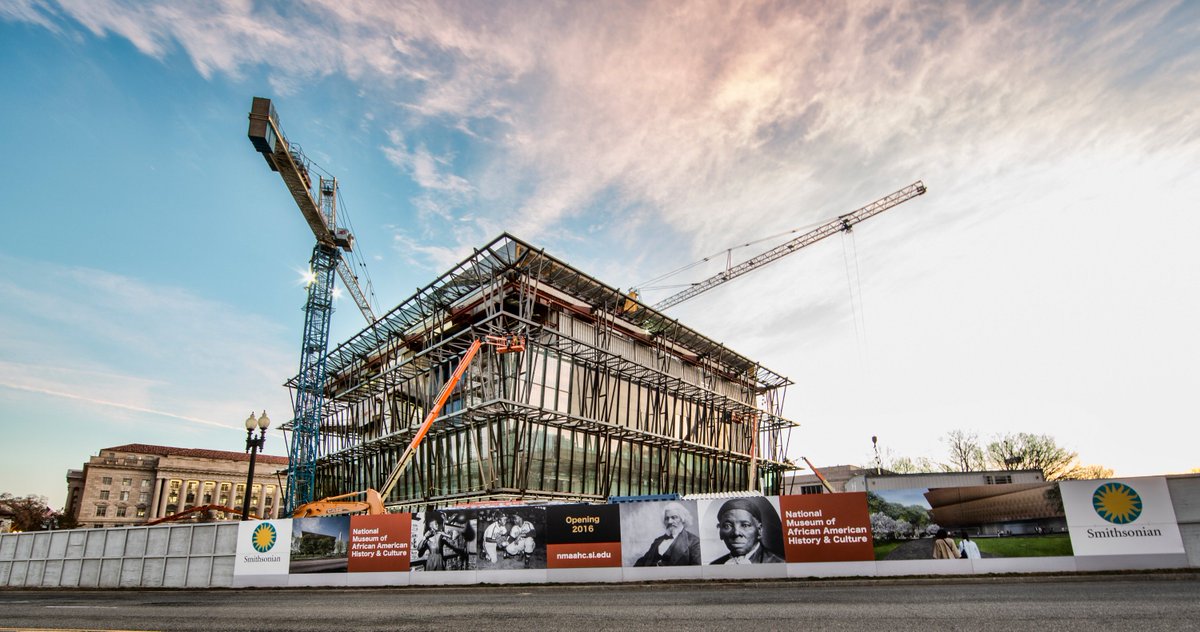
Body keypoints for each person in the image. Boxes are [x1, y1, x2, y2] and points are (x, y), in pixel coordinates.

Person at [710, 498, 784, 565]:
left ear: (759, 530)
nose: (736, 533)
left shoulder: (779, 563)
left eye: (745, 525)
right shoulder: (714, 565)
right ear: (720, 532)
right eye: (727, 526)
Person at [634, 502, 701, 566]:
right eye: (667, 518)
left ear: (683, 519)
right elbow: (644, 560)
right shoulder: (658, 541)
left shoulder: (694, 542)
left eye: (674, 517)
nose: (669, 521)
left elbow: (696, 570)